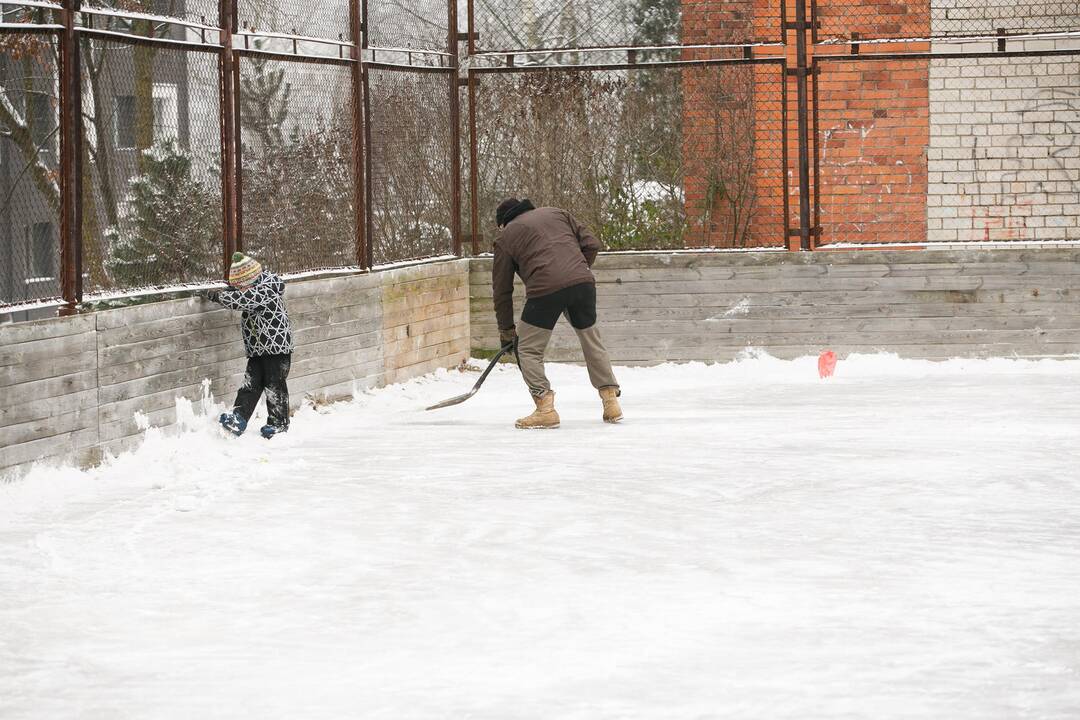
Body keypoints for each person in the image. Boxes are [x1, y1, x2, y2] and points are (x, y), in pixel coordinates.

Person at [492, 197, 622, 429]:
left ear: (503, 222)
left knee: (527, 350)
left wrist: (507, 331)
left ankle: (545, 408)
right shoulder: (557, 213)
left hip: (544, 290)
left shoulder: (505, 236)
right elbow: (591, 244)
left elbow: (502, 289)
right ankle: (611, 401)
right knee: (591, 340)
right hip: (583, 283)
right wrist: (576, 272)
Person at [203, 252, 294, 439]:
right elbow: (242, 295)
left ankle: (279, 423)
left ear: (250, 281)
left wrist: (218, 297)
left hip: (276, 348)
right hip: (258, 349)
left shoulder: (267, 289)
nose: (239, 291)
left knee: (274, 385)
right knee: (250, 384)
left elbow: (245, 299)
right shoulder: (253, 288)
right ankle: (239, 417)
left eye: (240, 286)